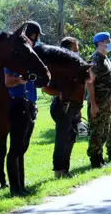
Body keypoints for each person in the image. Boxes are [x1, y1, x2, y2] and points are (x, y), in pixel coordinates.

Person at [4, 21, 43, 196]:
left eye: (35, 39)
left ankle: (22, 185)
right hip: (18, 102)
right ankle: (15, 187)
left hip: (30, 104)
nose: (33, 42)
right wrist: (20, 80)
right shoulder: (13, 58)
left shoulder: (31, 57)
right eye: (31, 38)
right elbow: (7, 81)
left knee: (23, 148)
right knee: (15, 148)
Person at [43, 36, 87, 178]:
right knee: (62, 137)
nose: (77, 52)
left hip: (74, 107)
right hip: (62, 106)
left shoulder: (76, 67)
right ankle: (58, 171)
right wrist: (60, 93)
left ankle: (65, 169)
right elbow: (46, 88)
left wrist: (79, 113)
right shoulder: (57, 68)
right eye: (75, 50)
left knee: (71, 136)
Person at [87, 32, 111, 168]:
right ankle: (95, 159)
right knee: (96, 132)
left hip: (107, 101)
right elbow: (90, 82)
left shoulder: (106, 59)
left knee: (104, 130)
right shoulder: (95, 59)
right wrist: (93, 103)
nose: (109, 43)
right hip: (97, 102)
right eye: (107, 41)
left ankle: (100, 157)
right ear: (99, 43)